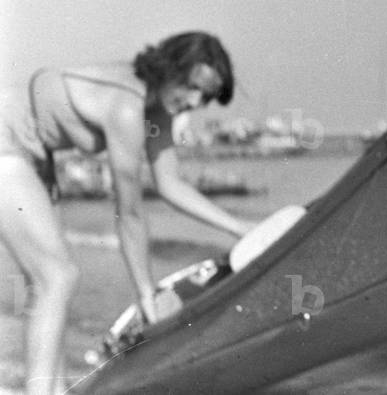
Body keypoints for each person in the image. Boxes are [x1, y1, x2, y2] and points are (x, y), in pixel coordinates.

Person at [0, 31, 254, 395]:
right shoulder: (127, 106)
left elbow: (171, 185)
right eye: (192, 87)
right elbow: (129, 210)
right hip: (6, 139)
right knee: (56, 276)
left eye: (206, 96)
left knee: (49, 281)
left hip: (31, 153)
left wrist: (240, 227)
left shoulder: (159, 107)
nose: (195, 101)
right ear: (171, 69)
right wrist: (146, 292)